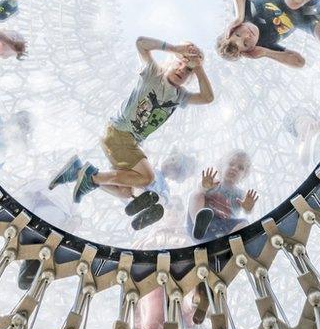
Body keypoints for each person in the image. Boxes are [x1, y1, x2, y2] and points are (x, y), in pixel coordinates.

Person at [48, 37, 214, 229]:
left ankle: (76, 171)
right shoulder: (154, 73)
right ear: (170, 61)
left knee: (125, 192)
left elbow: (208, 97)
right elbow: (141, 43)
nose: (182, 70)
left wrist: (199, 67)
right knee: (148, 177)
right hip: (119, 133)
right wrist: (175, 48)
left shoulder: (180, 96)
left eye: (188, 70)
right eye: (180, 63)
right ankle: (91, 177)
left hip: (128, 142)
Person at [188, 150, 259, 241]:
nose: (234, 168)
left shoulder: (241, 194)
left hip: (225, 227)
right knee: (196, 194)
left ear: (244, 175)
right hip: (207, 219)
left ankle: (229, 243)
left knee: (244, 223)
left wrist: (248, 208)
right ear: (221, 166)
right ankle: (197, 224)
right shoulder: (213, 182)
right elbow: (200, 191)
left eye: (240, 168)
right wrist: (204, 186)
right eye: (231, 164)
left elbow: (248, 211)